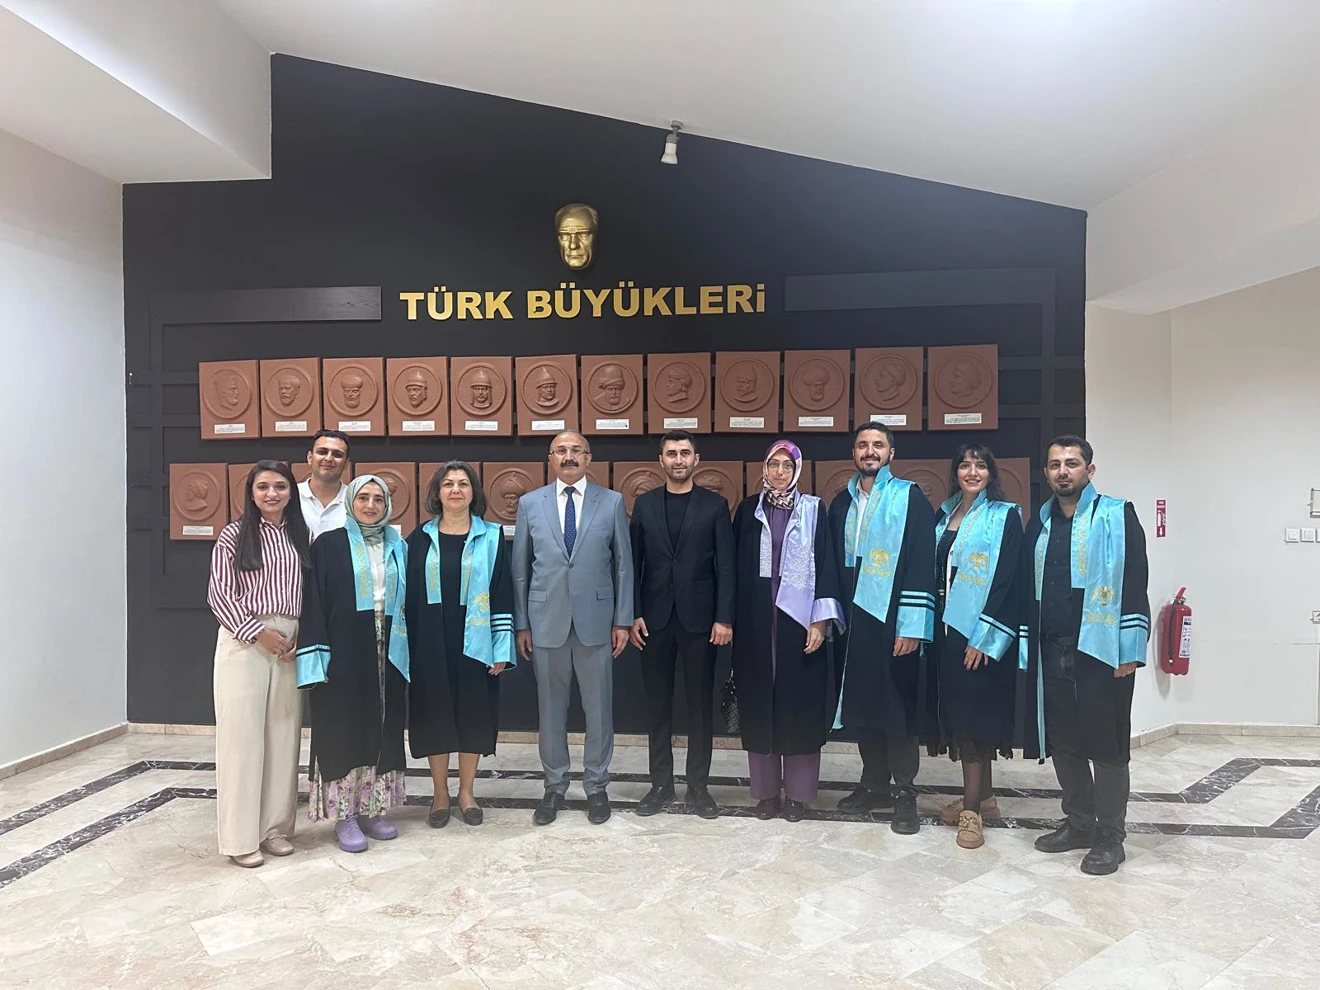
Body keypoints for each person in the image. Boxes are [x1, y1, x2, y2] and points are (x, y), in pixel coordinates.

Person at [1023, 436, 1150, 875]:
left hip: (1102, 650)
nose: (1063, 471)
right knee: (1064, 741)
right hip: (1050, 647)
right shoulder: (1040, 523)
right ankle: (1079, 823)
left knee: (1107, 744)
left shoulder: (1117, 515)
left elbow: (1135, 580)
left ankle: (1111, 837)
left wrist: (1129, 649)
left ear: (1089, 470)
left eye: (1072, 463)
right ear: (1047, 473)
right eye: (1055, 464)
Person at [512, 431, 633, 826]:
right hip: (545, 622)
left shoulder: (611, 502)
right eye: (561, 450)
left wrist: (622, 619)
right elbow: (520, 570)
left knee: (599, 710)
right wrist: (522, 622)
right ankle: (554, 786)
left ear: (588, 457)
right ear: (550, 458)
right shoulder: (530, 504)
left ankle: (596, 787)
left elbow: (623, 565)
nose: (569, 456)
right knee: (550, 711)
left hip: (596, 623)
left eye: (576, 450)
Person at [827, 422, 936, 834]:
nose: (869, 451)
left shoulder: (910, 498)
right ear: (853, 453)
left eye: (878, 445)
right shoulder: (841, 503)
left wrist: (911, 625)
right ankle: (873, 784)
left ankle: (905, 793)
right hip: (854, 619)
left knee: (896, 708)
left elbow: (921, 562)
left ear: (892, 453)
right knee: (864, 703)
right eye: (862, 445)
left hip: (893, 618)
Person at [296, 475, 410, 852]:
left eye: (379, 499)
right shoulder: (328, 544)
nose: (371, 505)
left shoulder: (398, 546)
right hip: (344, 644)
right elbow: (314, 601)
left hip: (389, 645)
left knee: (383, 724)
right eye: (363, 498)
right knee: (344, 724)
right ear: (351, 503)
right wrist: (318, 655)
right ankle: (344, 813)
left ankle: (372, 808)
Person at [731, 440, 843, 822]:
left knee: (800, 705)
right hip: (757, 620)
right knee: (760, 702)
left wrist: (819, 620)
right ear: (765, 468)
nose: (780, 472)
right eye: (774, 464)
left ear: (797, 470)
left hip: (799, 621)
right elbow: (735, 567)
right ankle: (765, 794)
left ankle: (797, 795)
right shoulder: (749, 510)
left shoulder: (813, 509)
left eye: (787, 465)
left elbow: (827, 564)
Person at [207, 460, 311, 868]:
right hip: (244, 641)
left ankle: (274, 829)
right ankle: (239, 837)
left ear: (291, 492)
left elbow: (311, 592)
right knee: (242, 739)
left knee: (283, 737)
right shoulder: (234, 535)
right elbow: (219, 594)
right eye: (263, 486)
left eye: (280, 486)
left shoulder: (302, 536)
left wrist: (300, 638)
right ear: (251, 493)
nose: (272, 494)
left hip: (289, 642)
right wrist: (257, 633)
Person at [629, 430, 736, 819]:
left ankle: (698, 787)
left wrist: (724, 617)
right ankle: (660, 785)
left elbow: (726, 566)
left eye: (684, 453)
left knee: (699, 706)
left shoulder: (715, 506)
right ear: (661, 461)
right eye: (671, 453)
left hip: (700, 622)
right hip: (653, 620)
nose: (678, 459)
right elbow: (632, 563)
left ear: (696, 459)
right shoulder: (644, 505)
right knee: (657, 705)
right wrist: (633, 613)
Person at [405, 462, 515, 828]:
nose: (455, 490)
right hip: (430, 640)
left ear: (473, 492)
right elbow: (407, 595)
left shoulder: (492, 536)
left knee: (473, 714)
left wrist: (500, 648)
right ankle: (440, 794)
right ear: (437, 493)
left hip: (477, 641)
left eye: (463, 484)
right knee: (434, 714)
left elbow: (502, 591)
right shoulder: (419, 538)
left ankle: (467, 792)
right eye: (448, 484)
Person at [931, 444, 1023, 850]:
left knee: (974, 719)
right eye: (965, 465)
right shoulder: (944, 515)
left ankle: (970, 815)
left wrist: (984, 636)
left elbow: (1008, 579)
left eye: (980, 465)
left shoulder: (1005, 516)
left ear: (991, 473)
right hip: (946, 632)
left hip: (980, 635)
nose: (972, 472)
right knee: (961, 714)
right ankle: (984, 799)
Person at [299, 429, 351, 539]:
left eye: (337, 454)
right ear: (310, 458)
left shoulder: (354, 500)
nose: (328, 458)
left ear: (346, 463)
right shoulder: (290, 496)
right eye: (322, 452)